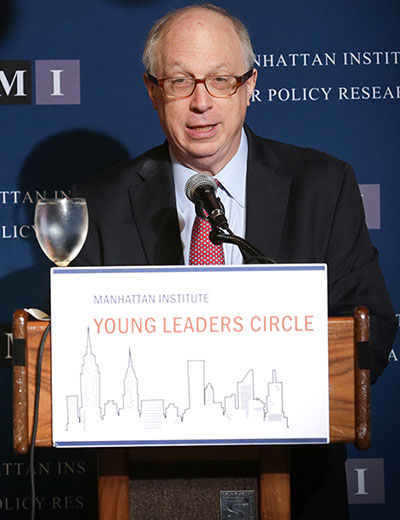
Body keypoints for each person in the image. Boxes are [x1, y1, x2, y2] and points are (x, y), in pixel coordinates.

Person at [71, 3, 397, 518]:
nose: (201, 102)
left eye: (221, 79)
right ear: (153, 91)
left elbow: (370, 326)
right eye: (180, 81)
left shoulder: (322, 185)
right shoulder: (98, 203)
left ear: (249, 86)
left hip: (298, 483)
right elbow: (76, 346)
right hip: (148, 488)